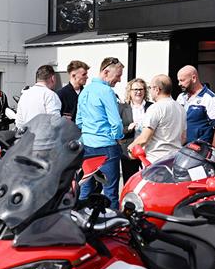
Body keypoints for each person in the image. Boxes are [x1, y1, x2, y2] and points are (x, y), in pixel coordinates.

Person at [76, 57, 125, 209]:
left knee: (85, 189)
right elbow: (116, 123)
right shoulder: (106, 91)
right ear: (106, 72)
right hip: (106, 146)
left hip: (87, 145)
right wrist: (118, 137)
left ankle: (81, 221)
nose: (119, 79)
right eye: (118, 75)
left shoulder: (84, 92)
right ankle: (115, 228)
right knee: (110, 192)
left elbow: (79, 121)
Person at [128, 74, 186, 165]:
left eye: (150, 87)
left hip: (156, 162)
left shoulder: (155, 108)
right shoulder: (181, 108)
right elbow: (183, 137)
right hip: (175, 159)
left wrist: (130, 148)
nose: (150, 91)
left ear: (157, 89)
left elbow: (144, 138)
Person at [177, 65, 215, 148]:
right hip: (180, 148)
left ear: (193, 78)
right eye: (179, 81)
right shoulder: (181, 97)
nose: (179, 84)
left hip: (199, 150)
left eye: (182, 80)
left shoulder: (210, 98)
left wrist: (213, 152)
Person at [119, 78, 152, 182]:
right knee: (130, 180)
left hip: (148, 149)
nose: (138, 92)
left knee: (149, 180)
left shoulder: (152, 107)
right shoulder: (122, 108)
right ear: (130, 91)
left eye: (141, 89)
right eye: (135, 89)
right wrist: (128, 128)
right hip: (129, 150)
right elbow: (117, 130)